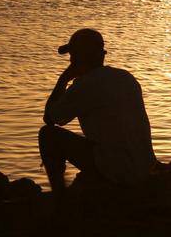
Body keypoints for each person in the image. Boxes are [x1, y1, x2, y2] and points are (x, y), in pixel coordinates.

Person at [39, 28, 156, 203]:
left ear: (80, 58)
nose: (70, 60)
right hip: (145, 166)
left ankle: (60, 200)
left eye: (73, 55)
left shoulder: (85, 85)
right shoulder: (126, 78)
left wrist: (64, 79)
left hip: (117, 169)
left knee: (48, 135)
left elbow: (50, 118)